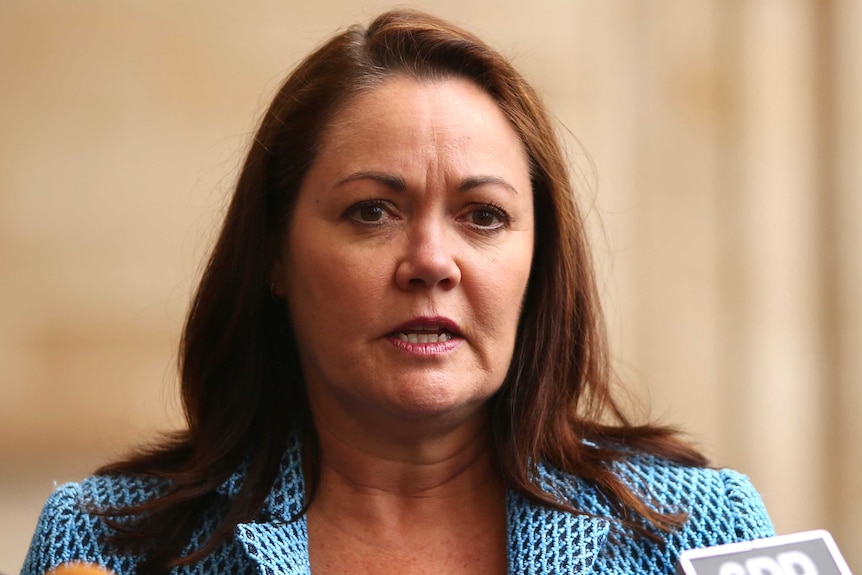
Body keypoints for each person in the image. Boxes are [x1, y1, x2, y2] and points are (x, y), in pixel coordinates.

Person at [21, 9, 774, 575]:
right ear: (274, 253)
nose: (431, 262)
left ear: (539, 262)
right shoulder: (105, 543)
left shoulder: (699, 532)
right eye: (371, 211)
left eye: (484, 216)